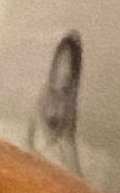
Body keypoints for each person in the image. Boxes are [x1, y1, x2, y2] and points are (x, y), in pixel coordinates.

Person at [31, 29, 86, 180]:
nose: (56, 101)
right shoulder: (41, 98)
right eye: (53, 84)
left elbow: (79, 188)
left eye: (64, 89)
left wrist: (68, 143)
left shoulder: (66, 148)